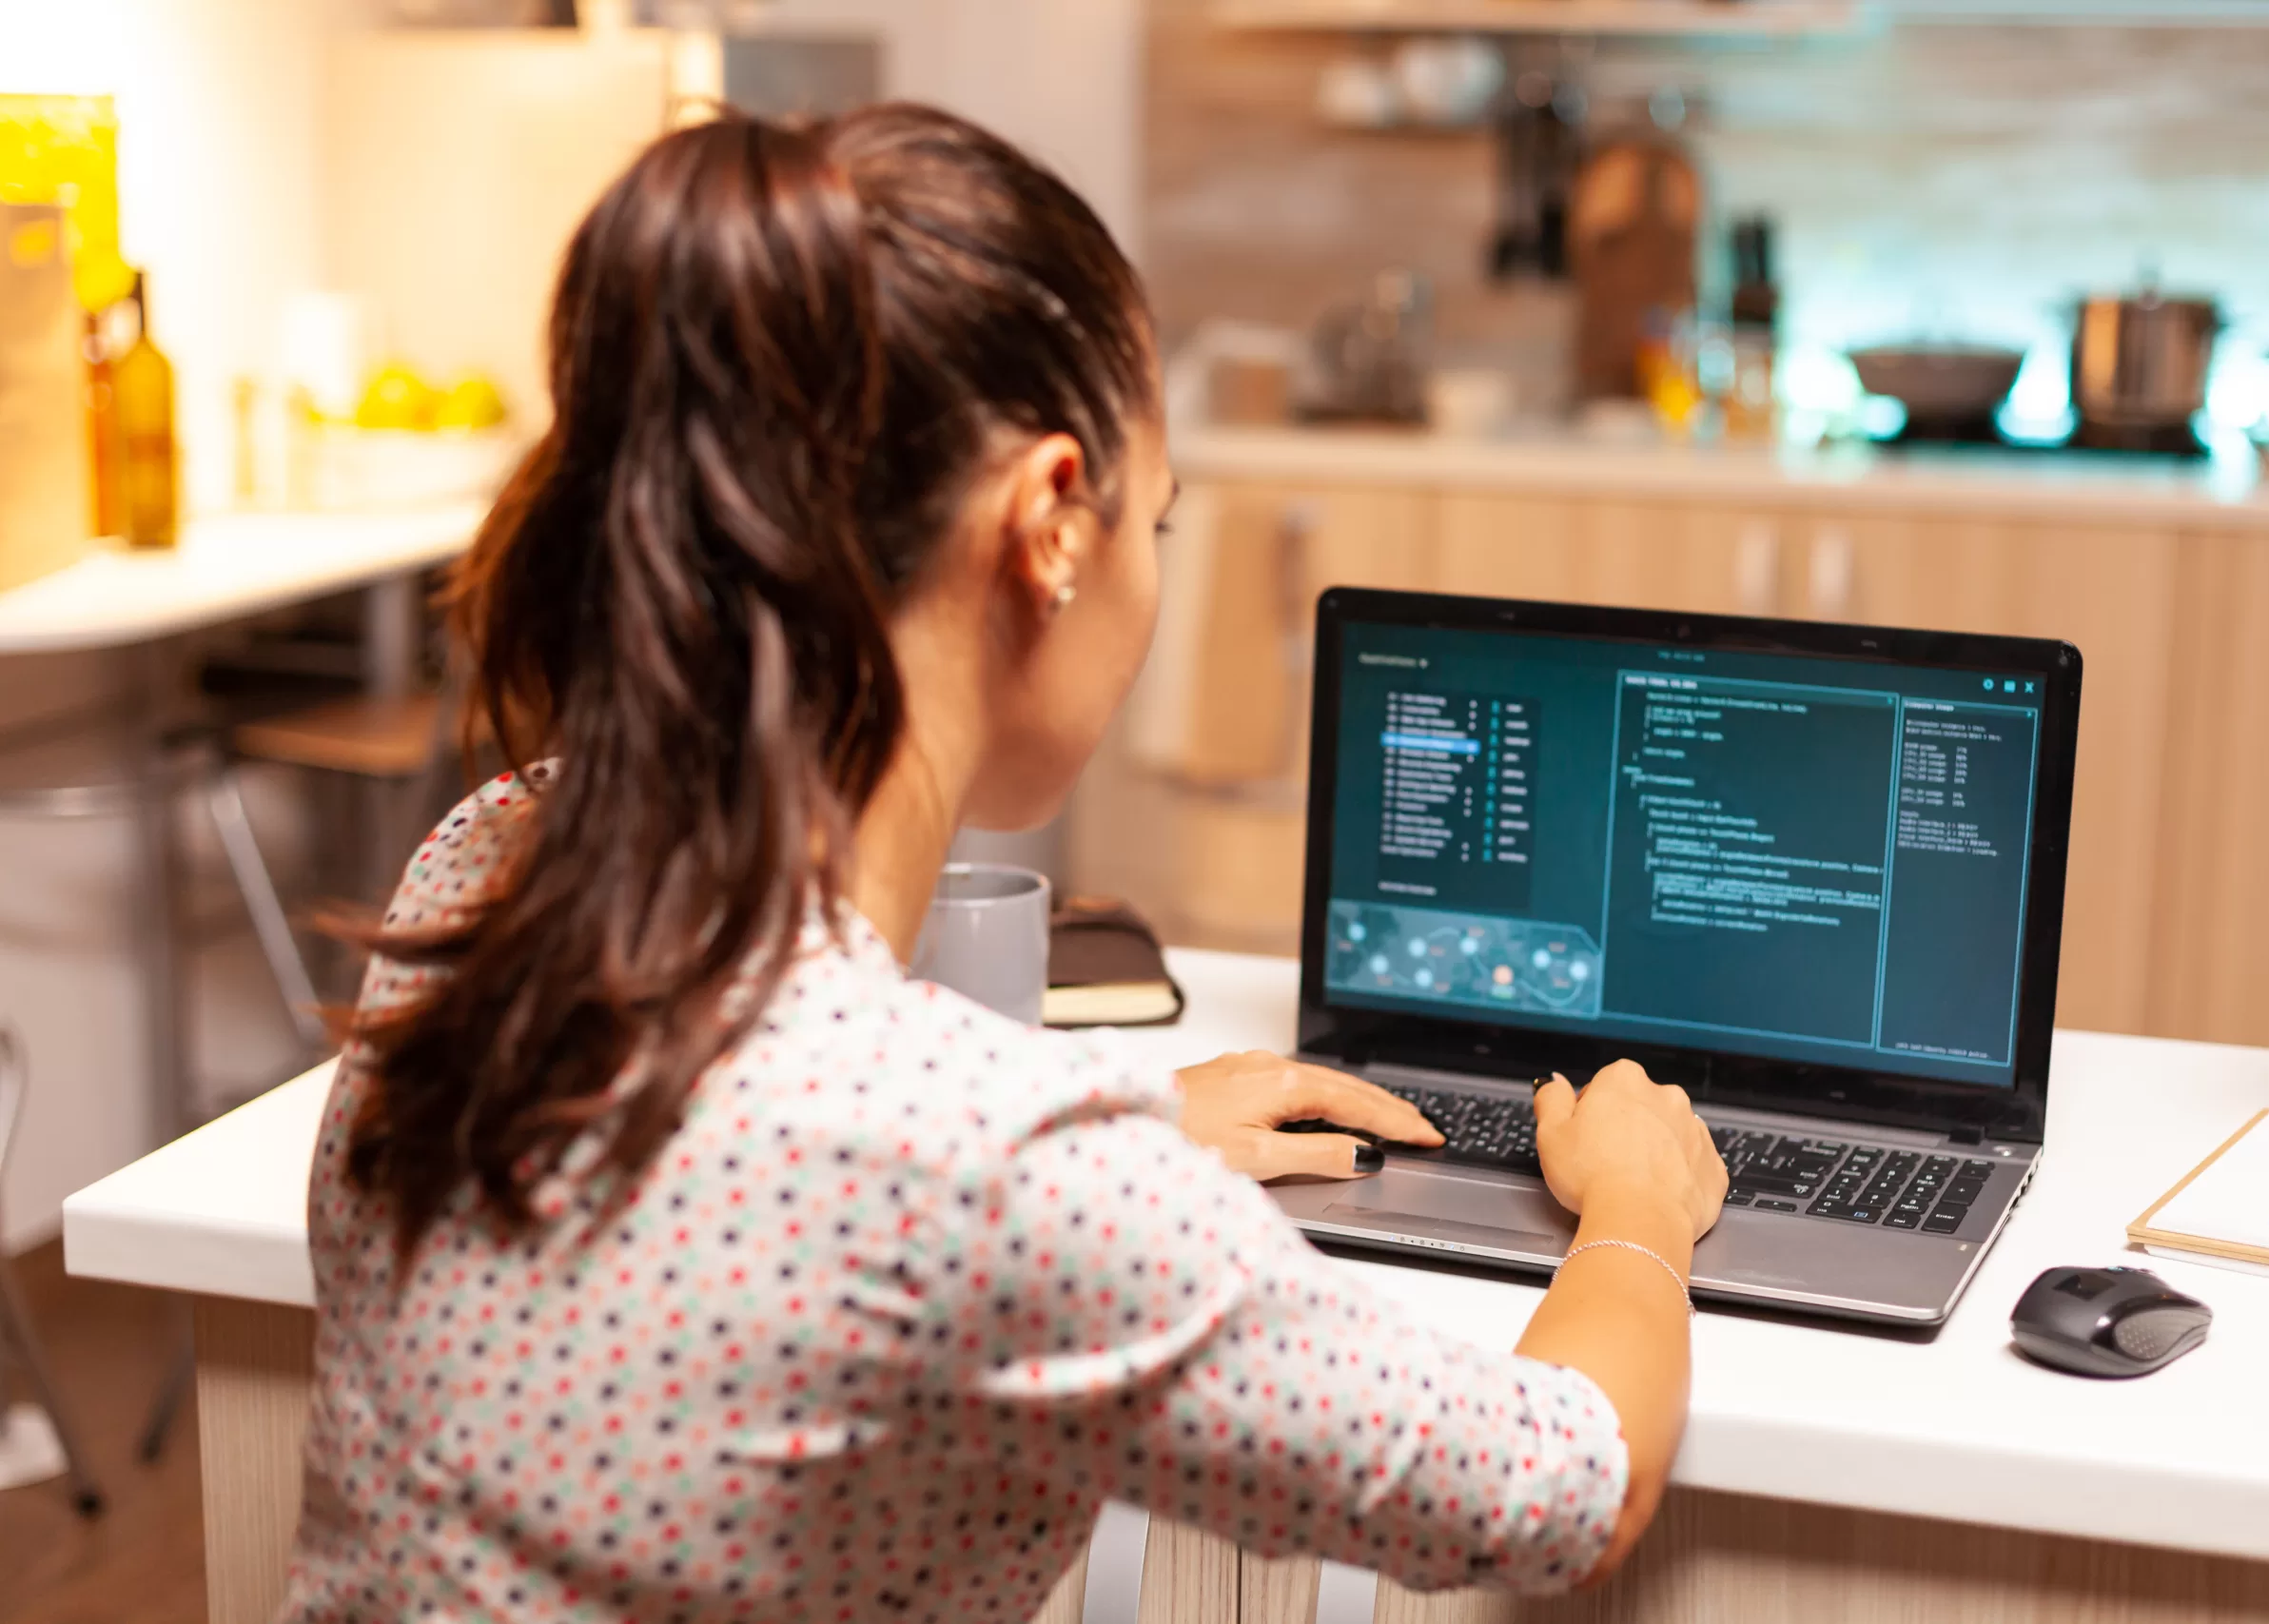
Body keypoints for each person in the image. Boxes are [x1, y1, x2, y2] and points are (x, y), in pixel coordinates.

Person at [281, 104, 1727, 1623]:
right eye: (1152, 517)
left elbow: (784, 1190)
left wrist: (1133, 1128)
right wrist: (1636, 1208)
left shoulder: (479, 864)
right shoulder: (989, 1175)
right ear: (1049, 524)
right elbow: (1563, 1487)